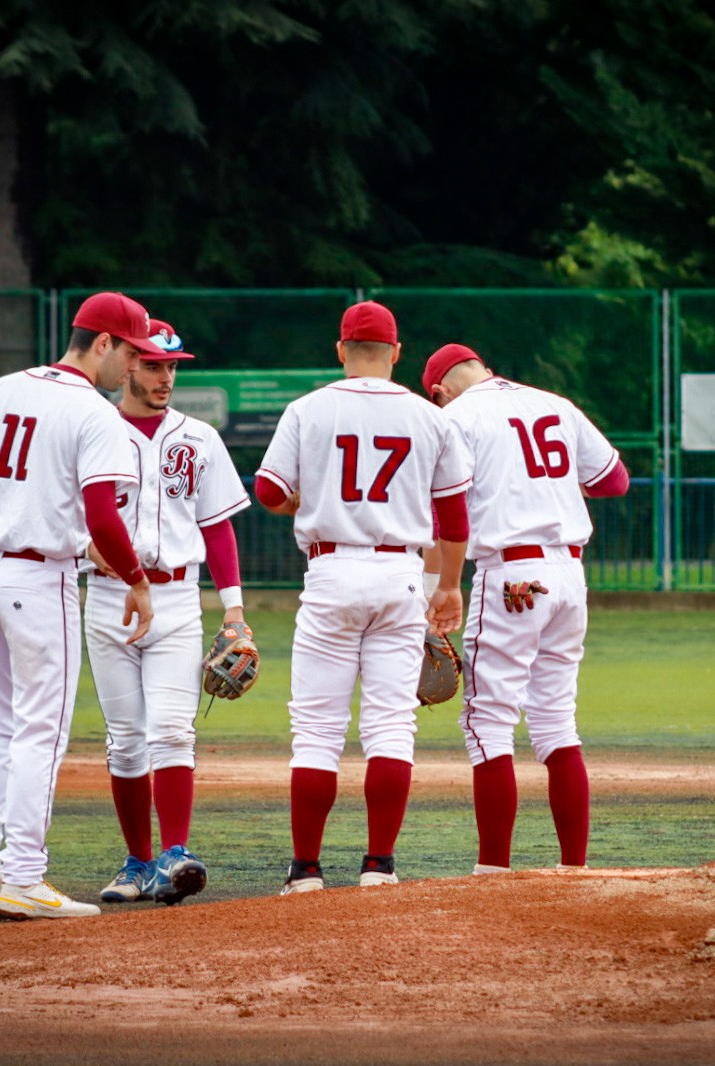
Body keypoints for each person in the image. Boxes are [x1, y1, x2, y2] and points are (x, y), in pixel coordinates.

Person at [0, 291, 163, 921]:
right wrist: (137, 581)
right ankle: (24, 879)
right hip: (39, 582)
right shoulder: (94, 414)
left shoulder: (3, 389)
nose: (133, 367)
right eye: (131, 352)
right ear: (102, 343)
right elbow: (100, 513)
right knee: (42, 731)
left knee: (1, 729)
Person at [255, 301, 472, 894]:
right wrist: (446, 586)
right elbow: (453, 517)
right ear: (398, 354)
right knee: (390, 726)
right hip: (400, 576)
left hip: (330, 572)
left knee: (318, 729)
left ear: (340, 350)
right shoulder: (431, 420)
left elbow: (269, 490)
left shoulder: (308, 408)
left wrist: (316, 499)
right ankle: (379, 866)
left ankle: (305, 871)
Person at [420, 342, 630, 875]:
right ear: (486, 370)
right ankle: (573, 868)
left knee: (487, 721)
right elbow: (613, 480)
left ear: (439, 392)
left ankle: (493, 870)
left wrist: (434, 590)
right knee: (557, 721)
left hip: (512, 575)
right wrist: (549, 491)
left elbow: (445, 517)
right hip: (568, 576)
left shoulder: (455, 418)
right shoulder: (554, 404)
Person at [83, 319, 252, 906]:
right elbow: (61, 509)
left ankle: (176, 855)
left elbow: (218, 527)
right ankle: (137, 864)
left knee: (173, 732)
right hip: (109, 601)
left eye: (172, 366)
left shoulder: (199, 437)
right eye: (154, 364)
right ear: (126, 364)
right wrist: (82, 547)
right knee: (126, 741)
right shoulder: (93, 428)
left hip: (179, 597)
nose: (165, 377)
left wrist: (235, 613)